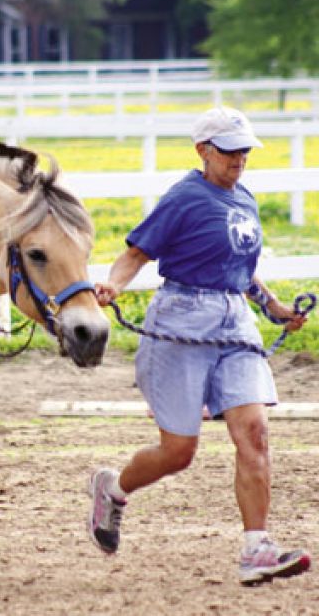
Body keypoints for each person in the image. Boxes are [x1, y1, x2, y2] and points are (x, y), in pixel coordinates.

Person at [87, 106, 311, 586]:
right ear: (203, 151)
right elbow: (136, 252)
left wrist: (274, 308)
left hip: (236, 322)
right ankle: (115, 489)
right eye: (229, 151)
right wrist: (113, 286)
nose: (240, 159)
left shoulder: (245, 200)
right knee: (179, 451)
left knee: (254, 433)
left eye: (244, 150)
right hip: (182, 319)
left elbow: (242, 267)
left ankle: (257, 549)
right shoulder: (185, 198)